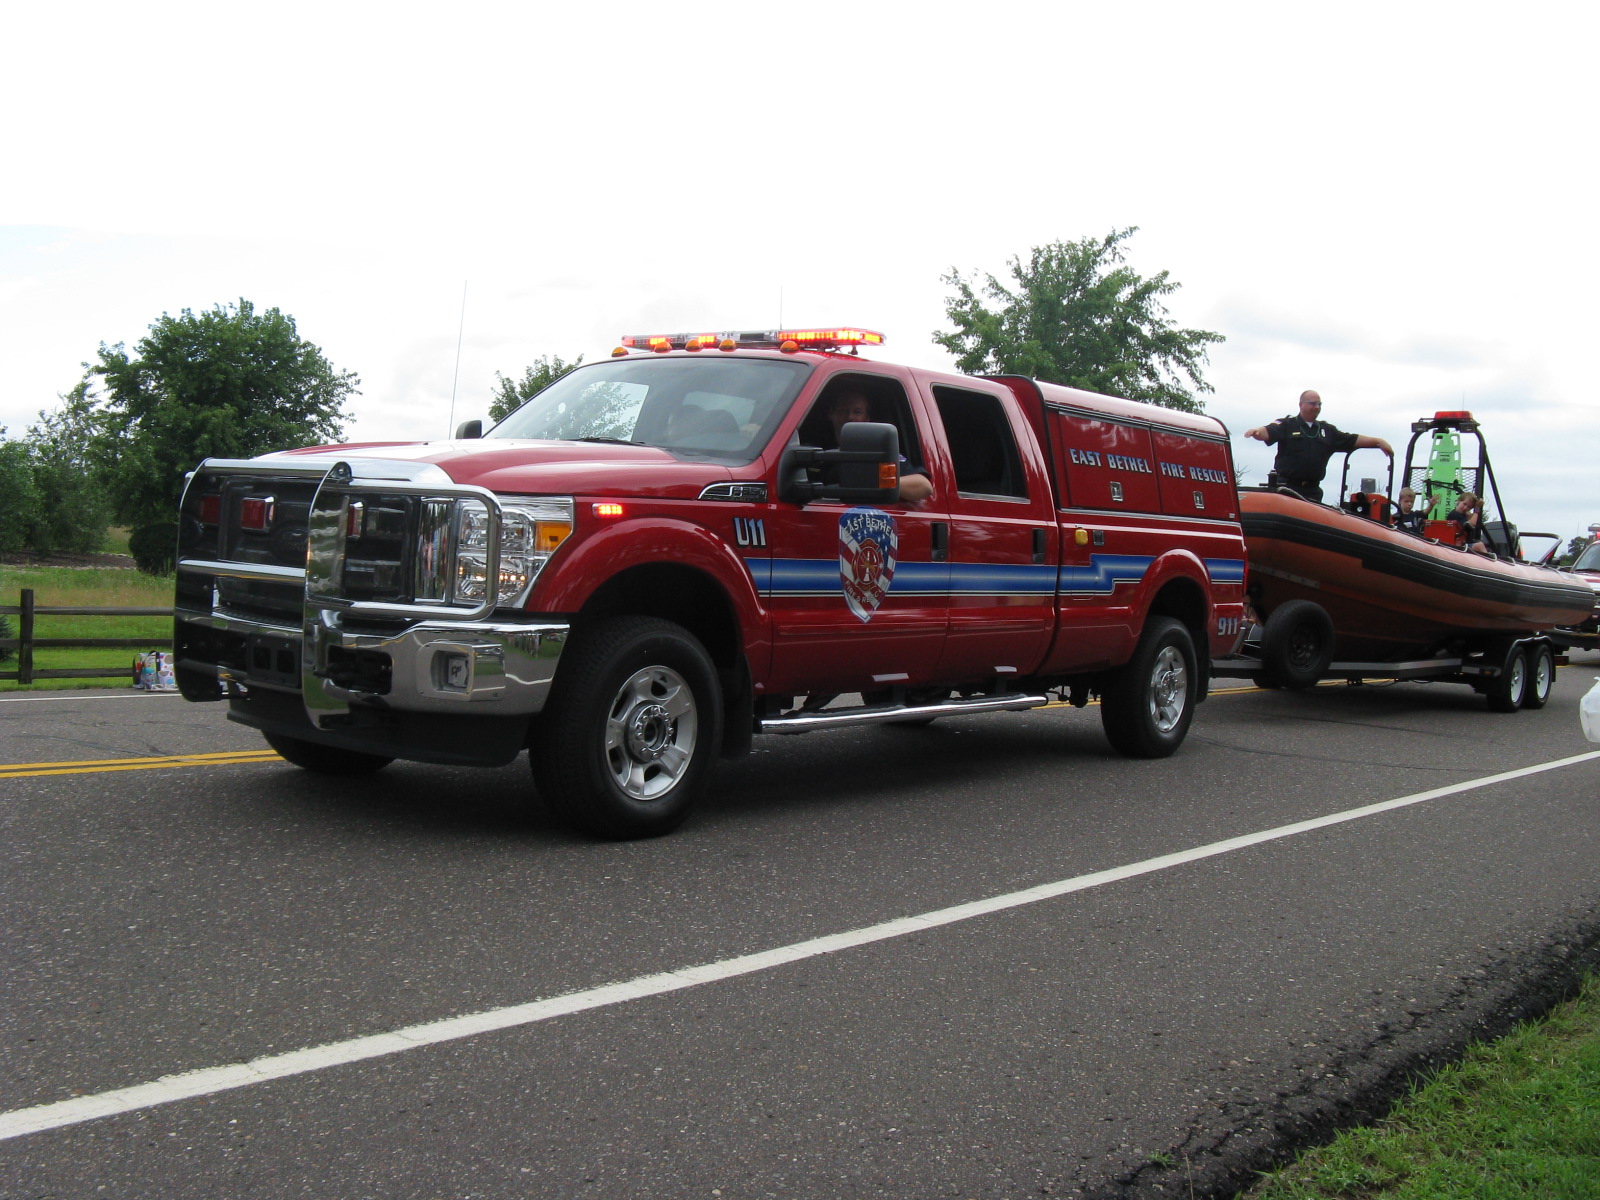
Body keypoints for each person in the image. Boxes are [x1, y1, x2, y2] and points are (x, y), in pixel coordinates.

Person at [1244, 390, 1393, 503]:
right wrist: (1256, 432)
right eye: (1313, 403)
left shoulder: (1327, 431)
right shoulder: (1287, 425)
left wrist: (1378, 441)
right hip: (1288, 488)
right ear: (1301, 404)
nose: (1316, 407)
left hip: (1313, 491)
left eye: (1319, 404)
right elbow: (1267, 431)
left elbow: (1351, 439)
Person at [827, 390, 934, 503]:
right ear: (830, 413)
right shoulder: (817, 449)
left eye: (857, 412)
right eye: (842, 411)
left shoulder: (876, 453)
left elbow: (923, 486)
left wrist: (871, 483)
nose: (849, 416)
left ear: (867, 418)